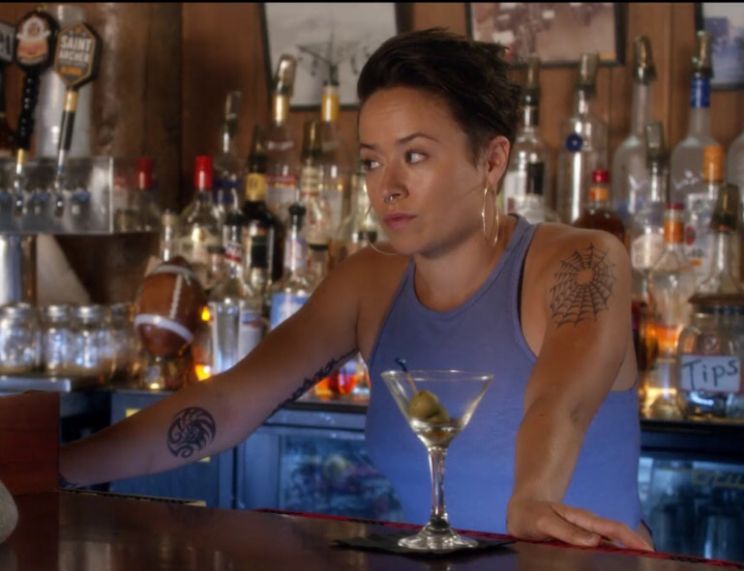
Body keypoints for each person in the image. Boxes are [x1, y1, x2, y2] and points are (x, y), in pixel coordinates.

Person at [60, 28, 653, 551]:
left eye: (414, 156)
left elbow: (560, 403)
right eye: (371, 162)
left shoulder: (580, 262)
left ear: (493, 161)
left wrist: (531, 499)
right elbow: (230, 402)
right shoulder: (370, 282)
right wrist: (54, 469)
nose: (387, 187)